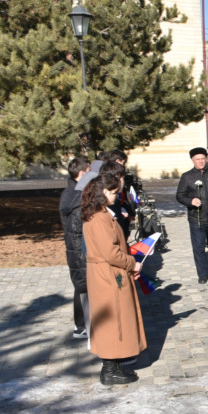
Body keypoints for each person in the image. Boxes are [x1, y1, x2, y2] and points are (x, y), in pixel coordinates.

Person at [81, 173, 147, 385]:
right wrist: (132, 263)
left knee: (117, 319)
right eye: (112, 192)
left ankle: (115, 364)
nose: (116, 196)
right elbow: (110, 253)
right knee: (113, 320)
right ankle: (109, 369)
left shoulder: (101, 214)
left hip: (109, 273)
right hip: (107, 275)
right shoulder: (99, 219)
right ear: (101, 192)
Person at [175, 147, 208, 284]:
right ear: (193, 161)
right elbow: (180, 196)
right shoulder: (187, 177)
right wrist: (190, 201)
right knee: (198, 247)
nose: (200, 161)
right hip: (196, 217)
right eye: (197, 159)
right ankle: (203, 273)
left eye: (202, 159)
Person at [59, 156, 90, 339]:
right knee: (83, 286)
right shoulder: (76, 196)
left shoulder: (71, 193)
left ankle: (81, 325)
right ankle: (82, 325)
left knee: (81, 286)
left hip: (75, 246)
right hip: (78, 247)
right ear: (82, 173)